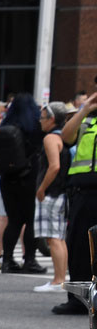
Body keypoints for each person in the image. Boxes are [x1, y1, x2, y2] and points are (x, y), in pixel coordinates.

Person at [0, 93, 45, 275]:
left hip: (7, 179)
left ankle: (7, 260)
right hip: (29, 177)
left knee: (13, 221)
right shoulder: (34, 128)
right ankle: (29, 260)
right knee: (30, 221)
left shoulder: (4, 127)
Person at [58, 92, 97, 313]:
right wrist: (84, 109)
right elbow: (66, 136)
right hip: (82, 190)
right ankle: (77, 300)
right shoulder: (88, 118)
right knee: (78, 245)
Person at [34, 102, 74, 293]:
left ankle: (58, 280)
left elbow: (54, 166)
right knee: (59, 237)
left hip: (51, 193)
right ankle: (61, 278)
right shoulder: (65, 137)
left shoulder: (50, 138)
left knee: (53, 238)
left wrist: (41, 188)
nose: (40, 121)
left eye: (42, 117)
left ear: (51, 119)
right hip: (63, 192)